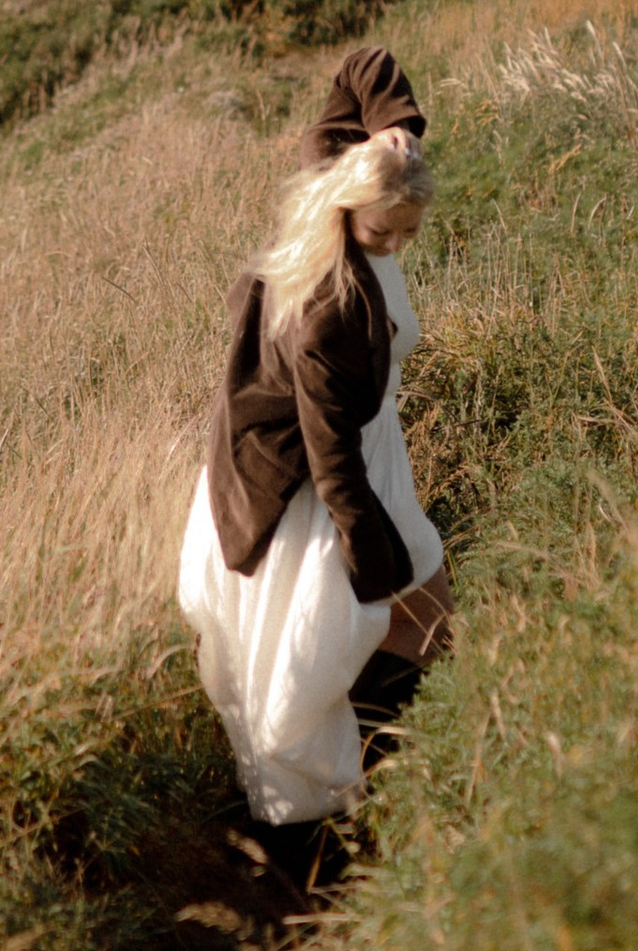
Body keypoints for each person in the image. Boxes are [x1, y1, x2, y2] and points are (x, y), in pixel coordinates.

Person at [178, 44, 453, 869]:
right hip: (315, 489)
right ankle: (332, 844)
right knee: (328, 654)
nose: (396, 246)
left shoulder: (334, 180)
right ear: (345, 210)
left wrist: (394, 130)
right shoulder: (329, 305)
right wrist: (378, 568)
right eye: (384, 231)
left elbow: (363, 65)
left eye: (409, 232)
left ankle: (398, 771)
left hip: (365, 456)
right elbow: (335, 466)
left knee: (422, 625)